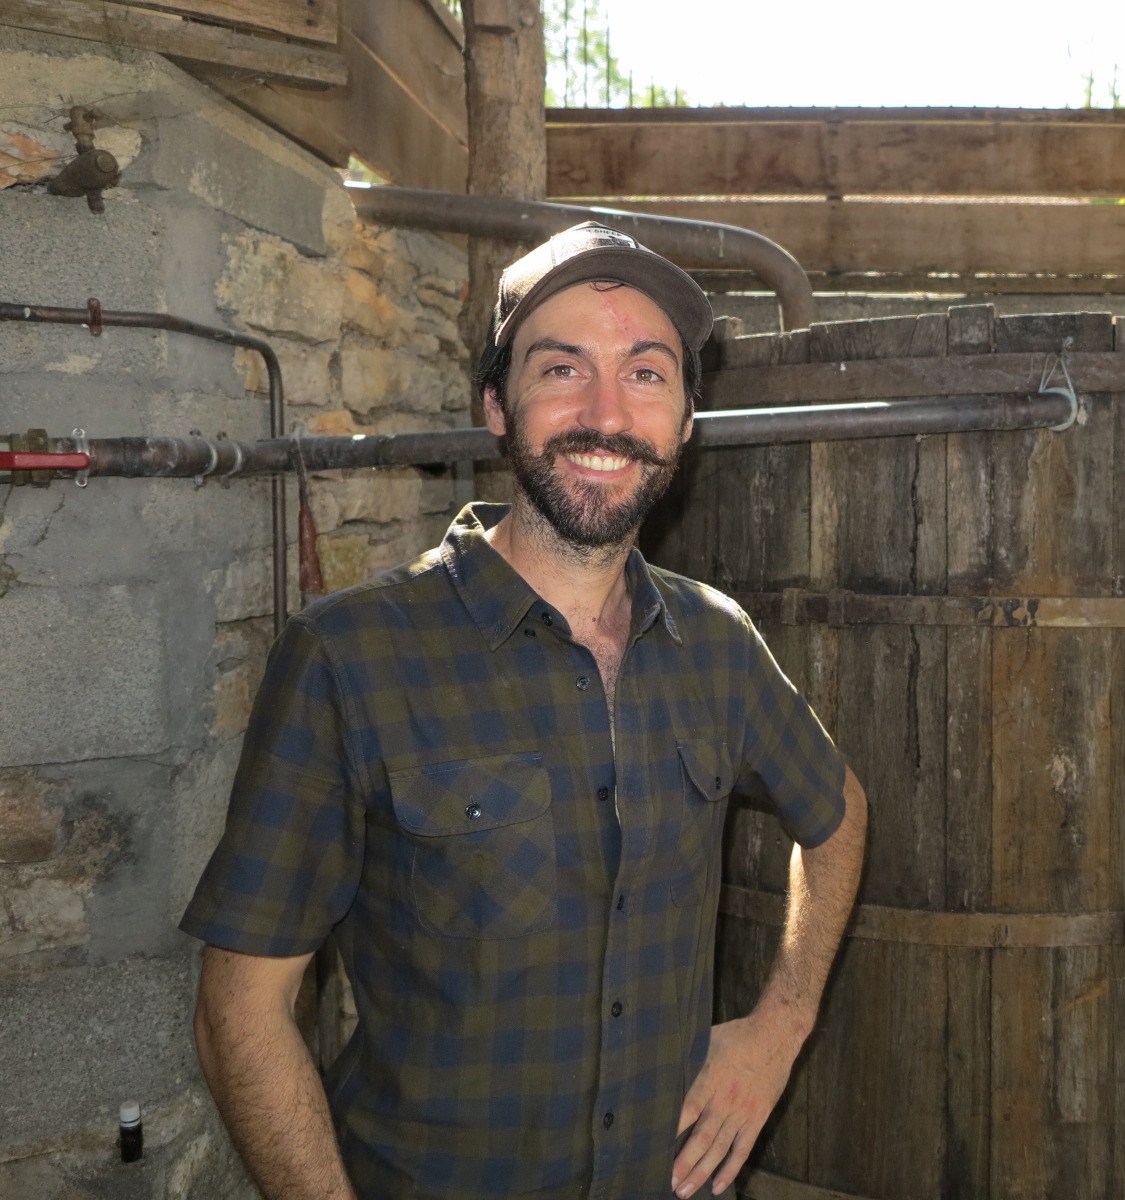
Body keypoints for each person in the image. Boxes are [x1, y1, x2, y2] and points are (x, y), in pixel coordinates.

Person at [182, 222, 868, 1200]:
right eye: (561, 369)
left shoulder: (718, 642)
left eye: (645, 374)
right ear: (497, 408)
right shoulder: (351, 657)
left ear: (683, 421)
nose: (604, 412)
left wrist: (777, 1029)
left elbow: (838, 818)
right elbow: (238, 1016)